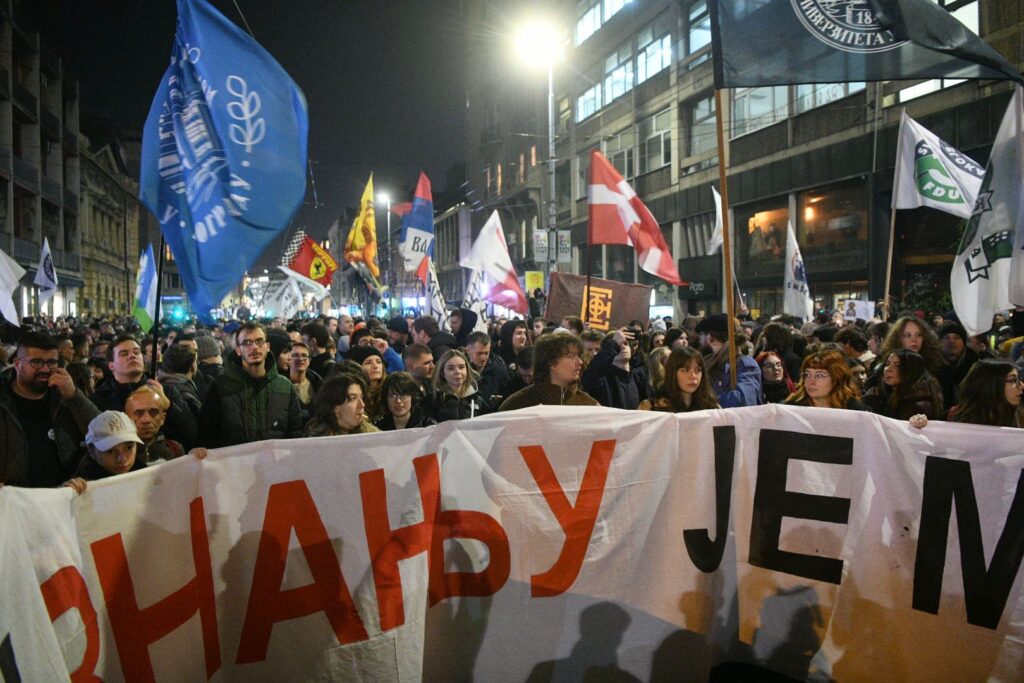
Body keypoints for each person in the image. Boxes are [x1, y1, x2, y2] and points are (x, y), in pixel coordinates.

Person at [0, 332, 98, 487]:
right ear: (17, 364)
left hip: (65, 494)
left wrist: (74, 396)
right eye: (37, 362)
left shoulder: (65, 396)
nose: (45, 369)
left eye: (52, 362)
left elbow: (102, 432)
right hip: (16, 501)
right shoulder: (4, 400)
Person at [199, 322, 303, 447]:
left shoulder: (284, 386)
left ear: (267, 346)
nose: (254, 347)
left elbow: (296, 434)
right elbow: (207, 435)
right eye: (247, 343)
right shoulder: (220, 386)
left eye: (259, 341)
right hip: (235, 464)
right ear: (238, 350)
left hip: (275, 464)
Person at [92, 335, 198, 450]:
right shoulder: (100, 398)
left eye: (136, 352)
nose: (132, 356)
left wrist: (168, 405)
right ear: (111, 365)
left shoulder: (166, 391)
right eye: (124, 354)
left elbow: (191, 433)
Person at [499, 333, 599, 410]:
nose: (580, 362)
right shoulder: (516, 405)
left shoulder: (590, 406)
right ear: (551, 362)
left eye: (578, 356)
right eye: (571, 356)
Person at [697, 314, 763, 408]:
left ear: (710, 338)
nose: (700, 341)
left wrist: (705, 403)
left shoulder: (743, 364)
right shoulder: (707, 363)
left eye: (701, 336)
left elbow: (743, 399)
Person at [864, 349, 943, 420]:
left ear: (910, 371)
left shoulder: (919, 406)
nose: (888, 369)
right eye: (887, 364)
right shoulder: (889, 396)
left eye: (897, 365)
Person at [943, 359, 1023, 428]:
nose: (1022, 385)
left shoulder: (1019, 416)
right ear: (990, 386)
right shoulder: (952, 417)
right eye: (1013, 380)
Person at [638, 346, 719, 413]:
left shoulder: (712, 407)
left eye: (698, 370)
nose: (693, 376)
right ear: (672, 373)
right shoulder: (651, 407)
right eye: (685, 370)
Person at [581, 328, 646, 410]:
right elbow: (589, 379)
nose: (622, 347)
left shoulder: (638, 378)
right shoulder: (603, 379)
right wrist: (613, 344)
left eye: (625, 344)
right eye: (618, 346)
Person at [784, 349, 869, 410]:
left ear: (836, 378)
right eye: (807, 375)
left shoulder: (855, 410)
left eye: (819, 375)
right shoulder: (791, 408)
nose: (811, 382)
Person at [426, 349, 492, 423]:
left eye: (461, 367)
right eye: (451, 368)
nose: (457, 372)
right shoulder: (433, 400)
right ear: (442, 372)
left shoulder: (477, 399)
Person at [304, 373, 379, 436]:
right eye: (353, 398)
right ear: (335, 407)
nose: (362, 405)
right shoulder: (315, 438)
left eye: (361, 397)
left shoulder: (372, 436)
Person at [124, 387, 185, 463]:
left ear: (163, 418)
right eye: (139, 413)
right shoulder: (119, 454)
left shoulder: (175, 449)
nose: (147, 420)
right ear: (127, 418)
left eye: (153, 413)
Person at [935, 320, 981, 411]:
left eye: (956, 337)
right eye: (946, 337)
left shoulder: (976, 367)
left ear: (964, 342)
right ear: (939, 342)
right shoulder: (932, 366)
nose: (951, 341)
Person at [465, 330, 510, 405]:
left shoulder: (499, 371)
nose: (484, 358)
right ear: (468, 351)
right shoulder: (461, 372)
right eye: (479, 353)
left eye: (486, 353)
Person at [349, 346, 387, 423]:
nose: (375, 366)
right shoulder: (352, 393)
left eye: (379, 362)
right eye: (368, 363)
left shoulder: (389, 389)